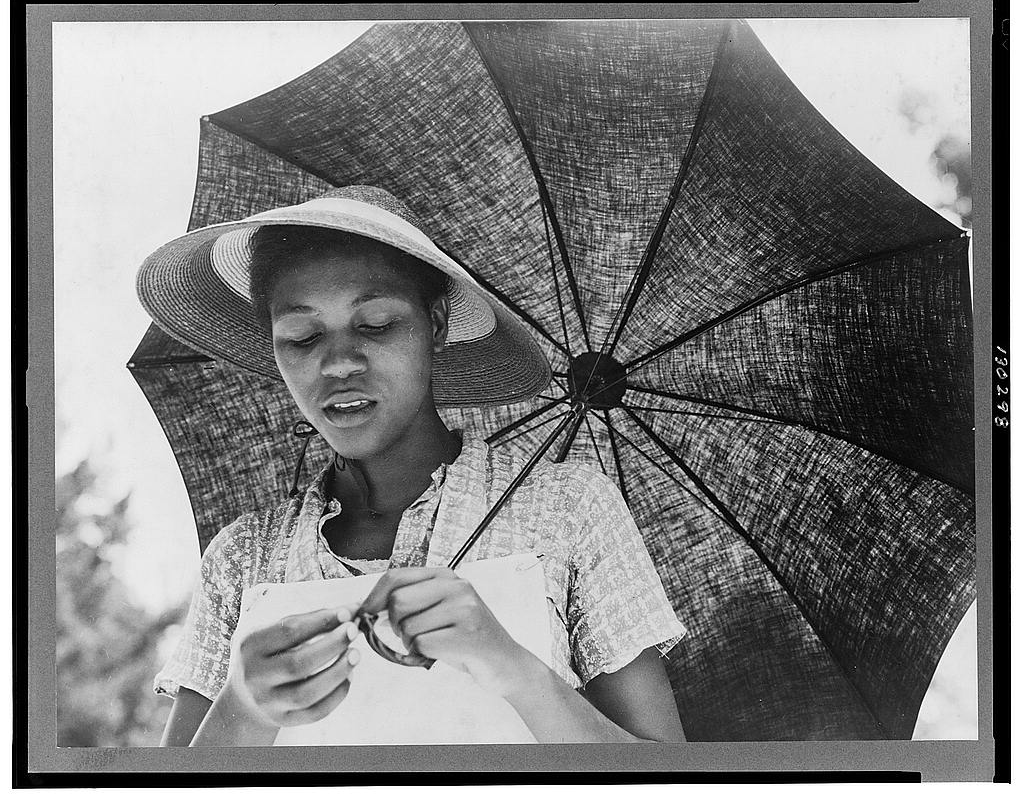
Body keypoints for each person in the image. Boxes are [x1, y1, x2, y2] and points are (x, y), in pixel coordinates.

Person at [138, 186, 687, 746]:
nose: (339, 363)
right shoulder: (244, 558)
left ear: (437, 323)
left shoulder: (566, 508)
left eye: (375, 324)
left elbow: (672, 783)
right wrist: (245, 707)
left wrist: (513, 669)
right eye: (302, 337)